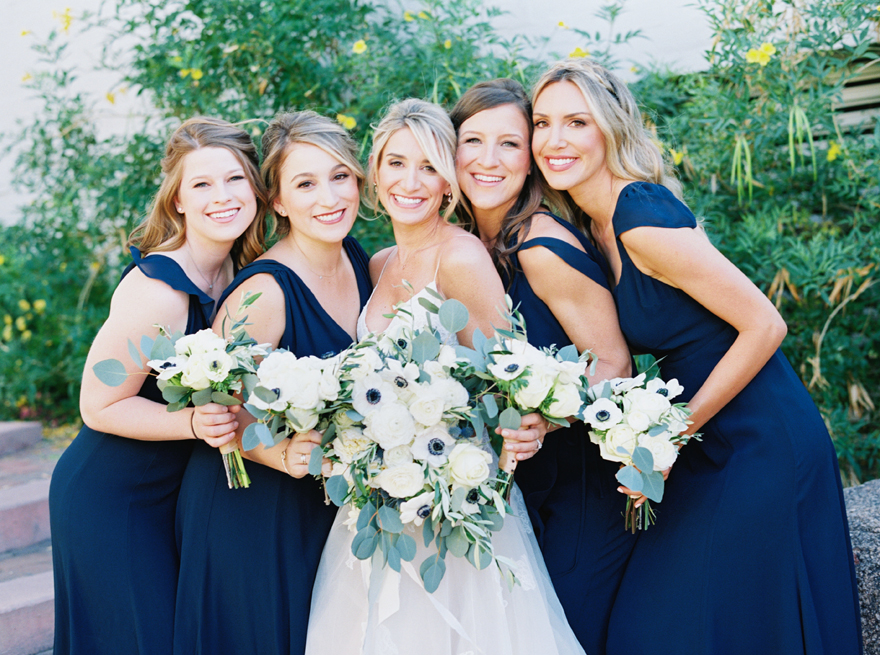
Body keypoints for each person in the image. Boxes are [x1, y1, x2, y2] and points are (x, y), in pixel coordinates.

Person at [532, 57, 863, 655]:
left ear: (610, 128)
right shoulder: (589, 226)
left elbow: (765, 323)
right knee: (664, 624)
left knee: (689, 625)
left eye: (576, 122)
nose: (555, 140)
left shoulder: (639, 217)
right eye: (542, 123)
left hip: (759, 439)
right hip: (703, 441)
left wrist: (672, 434)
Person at [305, 98, 585, 655]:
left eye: (430, 167)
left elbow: (509, 379)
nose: (410, 182)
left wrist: (490, 441)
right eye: (396, 163)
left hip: (453, 501)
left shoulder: (461, 257)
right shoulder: (380, 263)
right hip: (379, 501)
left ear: (448, 183)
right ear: (375, 171)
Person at [49, 117, 267, 655]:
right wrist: (194, 422)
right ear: (178, 201)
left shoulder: (239, 275)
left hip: (173, 499)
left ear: (257, 189)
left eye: (235, 179)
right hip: (113, 498)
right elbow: (97, 405)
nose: (223, 196)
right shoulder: (160, 290)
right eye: (202, 184)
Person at [172, 110, 372, 655]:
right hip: (250, 512)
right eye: (305, 184)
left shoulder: (356, 257)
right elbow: (219, 410)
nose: (329, 197)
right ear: (278, 200)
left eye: (340, 176)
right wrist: (282, 453)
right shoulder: (263, 291)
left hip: (321, 508)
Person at [450, 78, 635, 655]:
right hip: (513, 496)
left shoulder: (540, 245)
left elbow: (614, 363)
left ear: (530, 158)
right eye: (472, 140)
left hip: (578, 490)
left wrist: (547, 419)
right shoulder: (458, 247)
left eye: (509, 143)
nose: (488, 159)